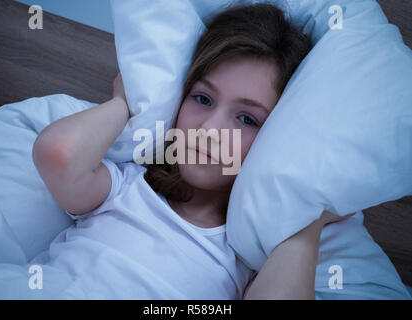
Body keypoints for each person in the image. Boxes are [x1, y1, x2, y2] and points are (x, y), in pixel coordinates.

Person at [32, 3, 349, 299]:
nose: (209, 131)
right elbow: (59, 154)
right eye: (203, 99)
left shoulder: (244, 253)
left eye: (247, 119)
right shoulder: (127, 186)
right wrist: (125, 104)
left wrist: (310, 217)